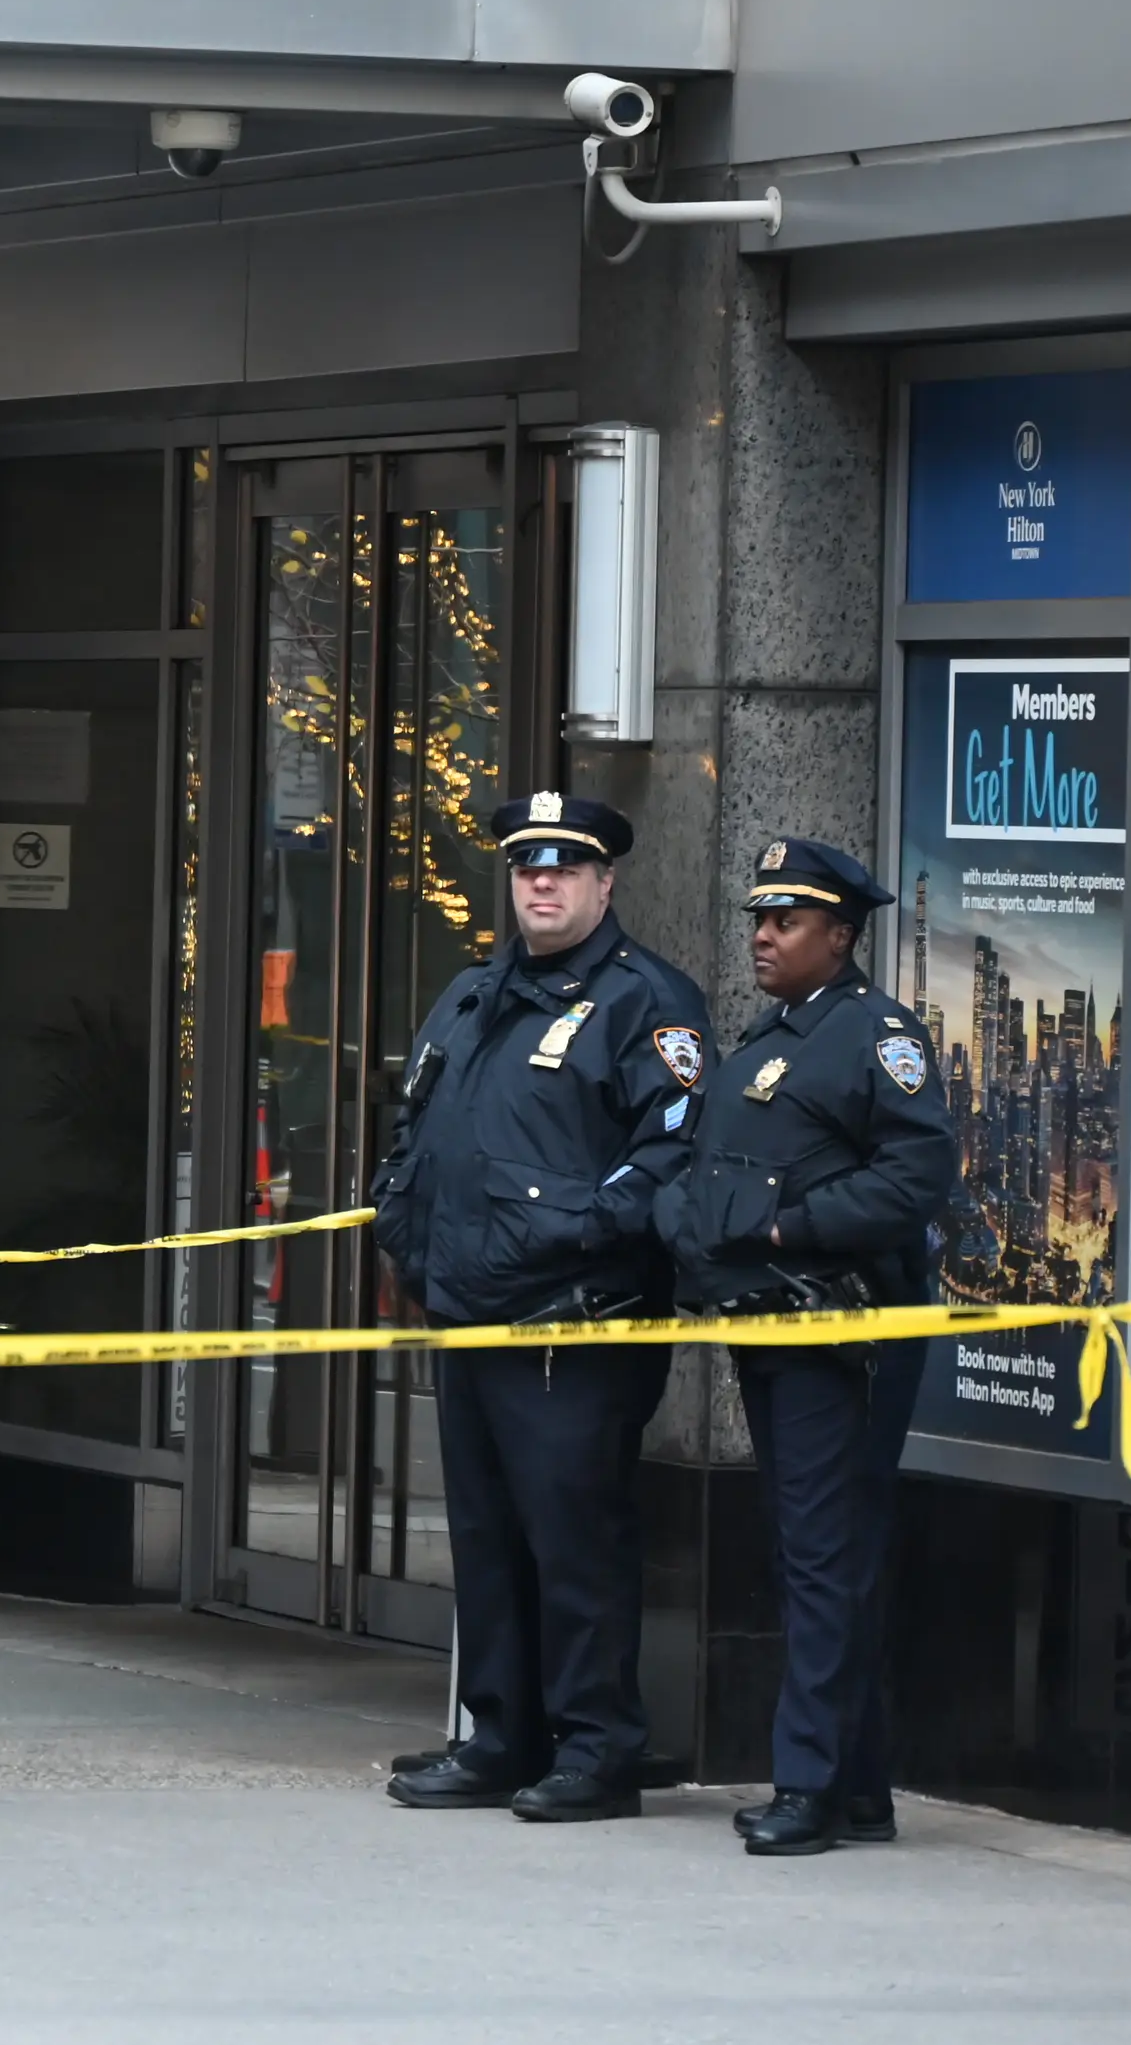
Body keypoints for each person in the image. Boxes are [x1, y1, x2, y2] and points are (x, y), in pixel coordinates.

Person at [372, 790, 709, 1824]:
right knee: (486, 1535)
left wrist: (582, 1235)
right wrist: (400, 1226)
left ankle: (597, 1746)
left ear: (607, 883)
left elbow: (673, 1155)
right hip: (469, 1314)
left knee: (575, 1538)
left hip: (574, 1323)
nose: (543, 884)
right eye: (528, 868)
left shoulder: (644, 1000)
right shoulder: (474, 996)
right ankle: (502, 1734)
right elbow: (419, 1126)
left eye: (565, 868)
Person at [662, 837, 958, 1859]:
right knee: (812, 1557)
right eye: (758, 917)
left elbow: (917, 1176)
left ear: (841, 933)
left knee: (825, 1558)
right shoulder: (771, 1034)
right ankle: (859, 1785)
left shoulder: (878, 1036)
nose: (763, 934)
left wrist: (794, 1228)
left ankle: (807, 1786)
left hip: (843, 1337)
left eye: (785, 920)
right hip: (773, 1330)